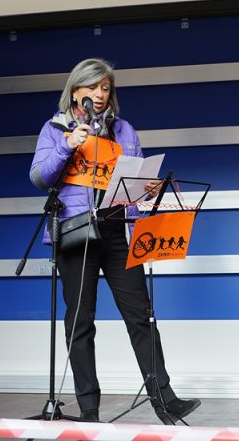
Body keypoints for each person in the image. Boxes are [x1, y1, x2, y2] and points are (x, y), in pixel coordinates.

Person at [29, 58, 200, 424]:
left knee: (142, 316)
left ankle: (165, 401)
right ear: (76, 91)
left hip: (116, 230)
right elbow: (40, 177)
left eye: (105, 88)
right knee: (81, 322)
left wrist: (148, 190)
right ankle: (89, 410)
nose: (100, 94)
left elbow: (134, 184)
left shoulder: (124, 130)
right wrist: (67, 145)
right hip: (76, 232)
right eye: (92, 87)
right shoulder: (55, 128)